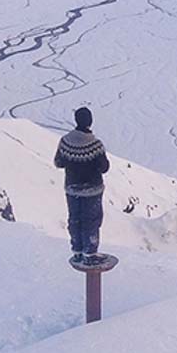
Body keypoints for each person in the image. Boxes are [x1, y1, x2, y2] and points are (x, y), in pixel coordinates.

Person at [55, 106, 110, 265]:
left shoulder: (65, 142)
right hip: (92, 190)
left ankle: (77, 250)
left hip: (72, 189)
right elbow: (104, 167)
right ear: (90, 121)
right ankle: (90, 253)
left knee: (75, 219)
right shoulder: (95, 145)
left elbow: (58, 162)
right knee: (91, 221)